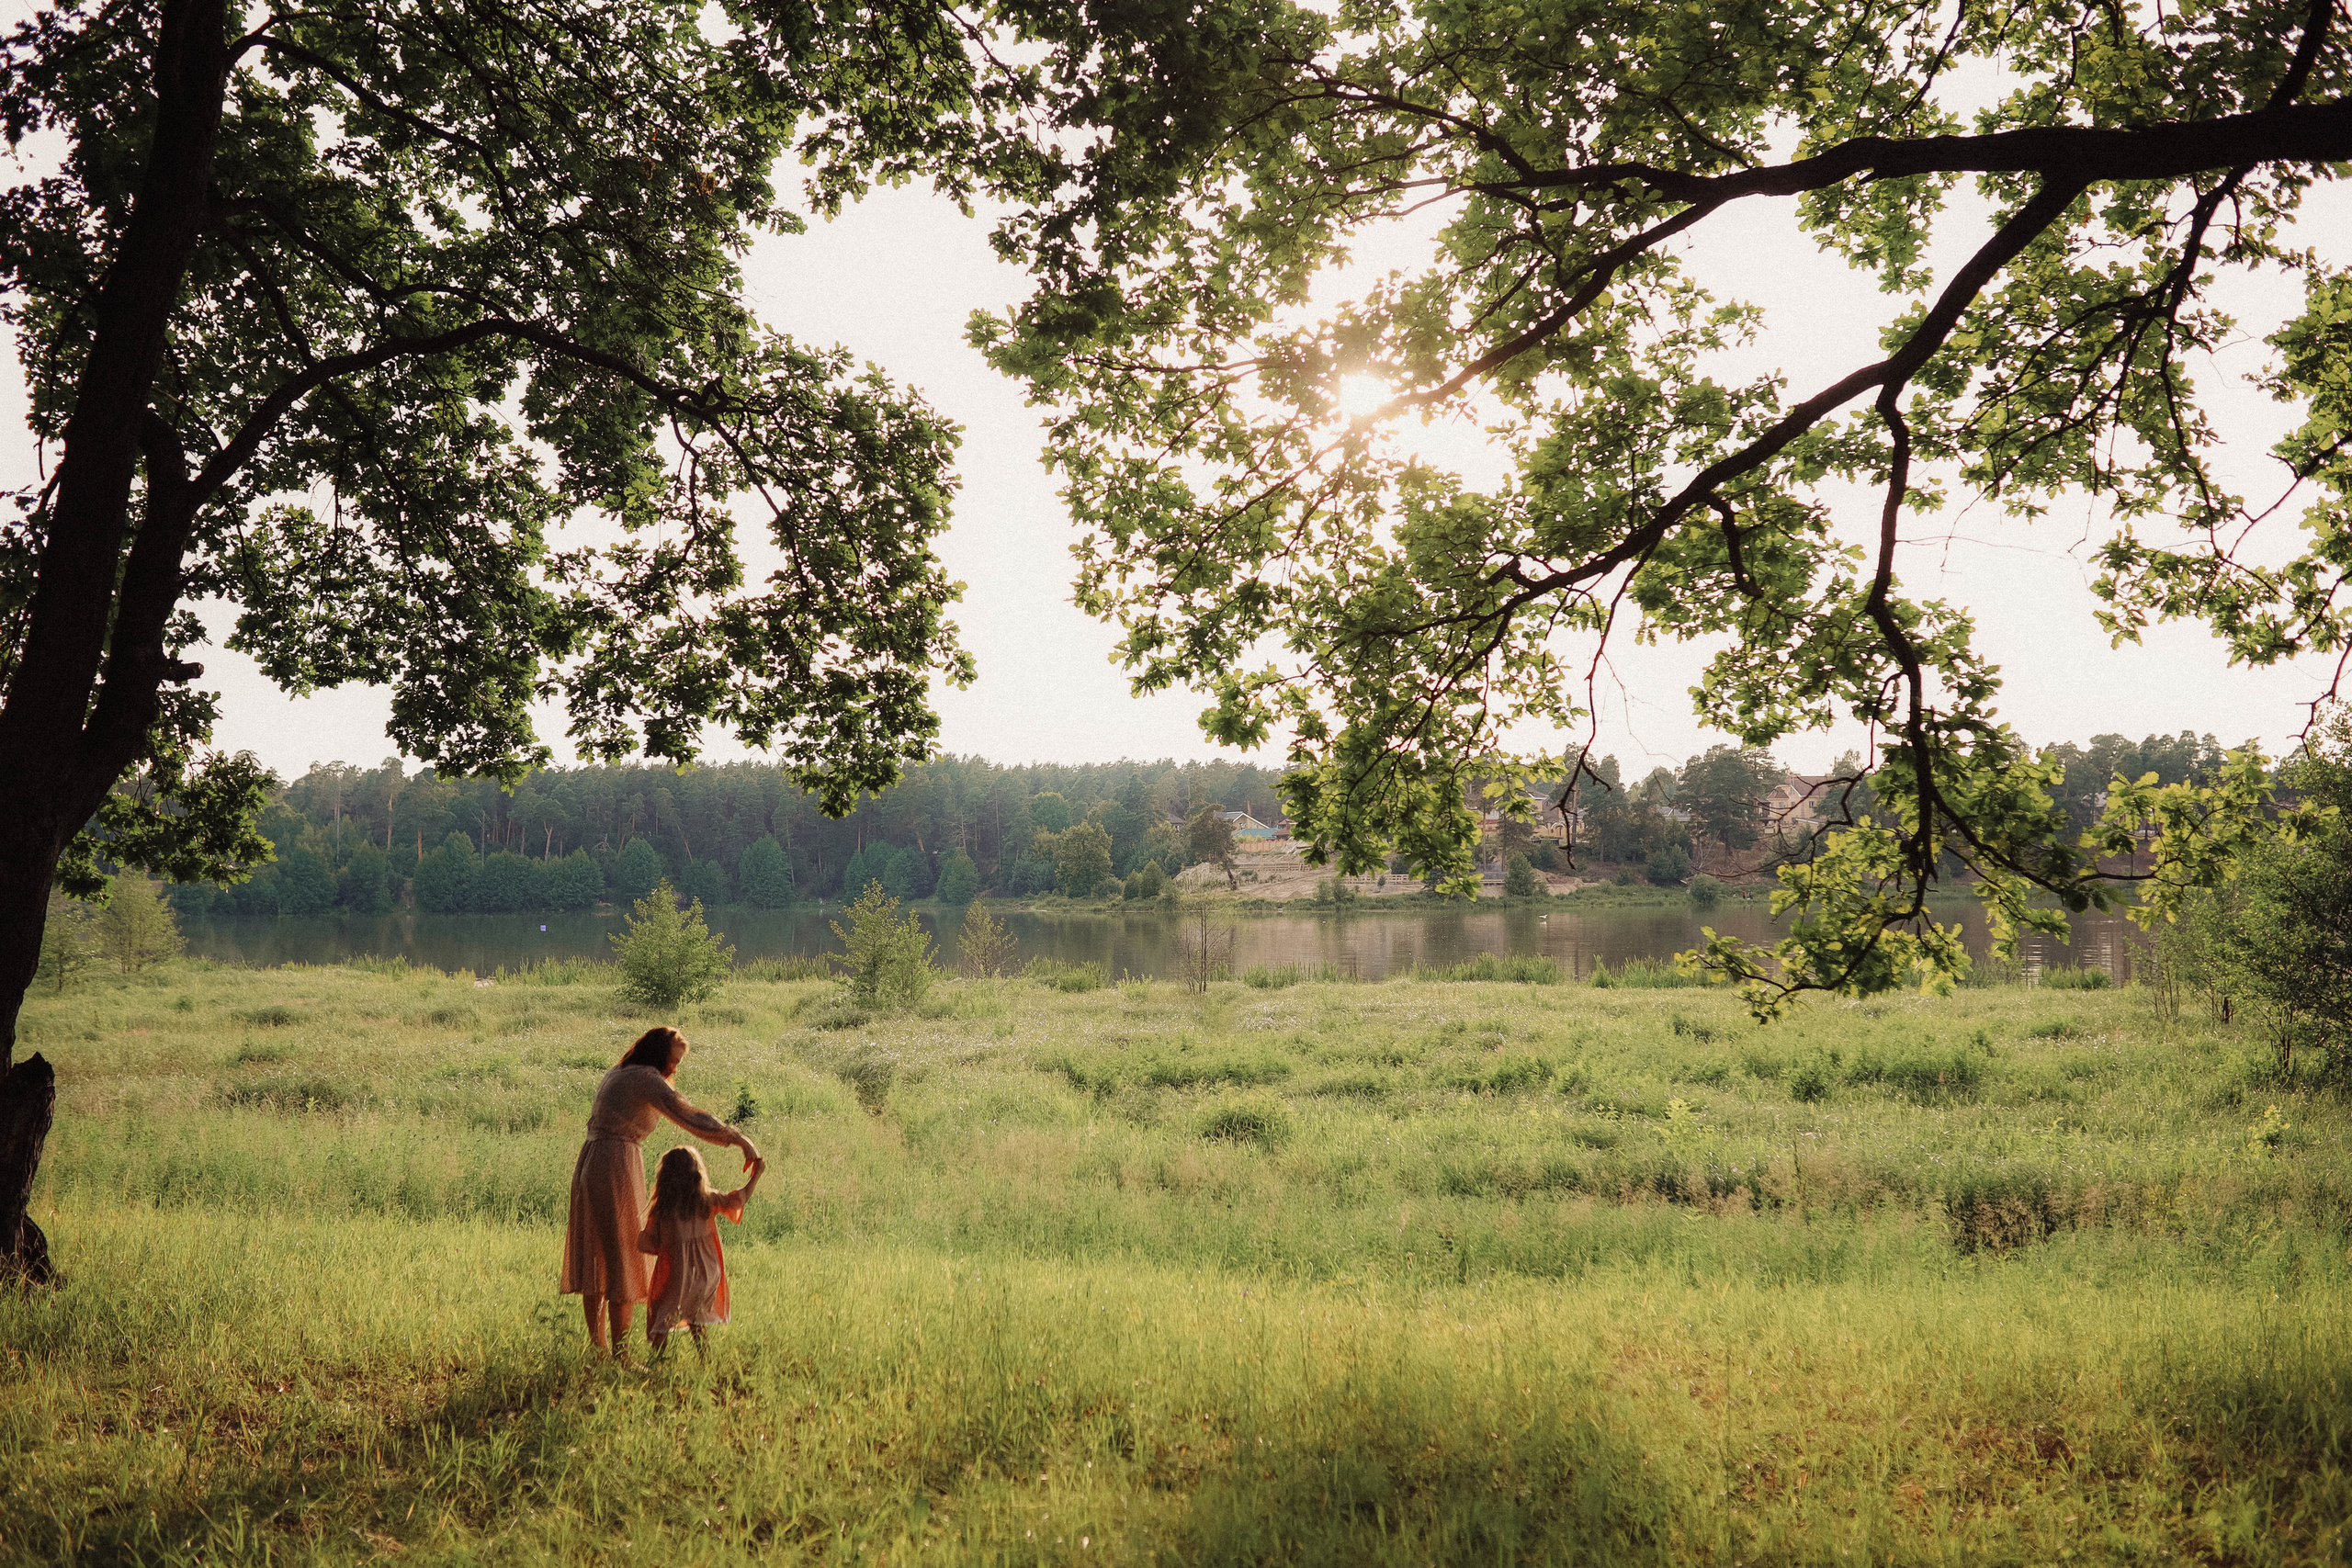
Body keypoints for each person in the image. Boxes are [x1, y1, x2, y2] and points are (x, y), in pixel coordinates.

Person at [559, 1025, 759, 1357]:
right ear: (658, 1055)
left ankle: (600, 1350)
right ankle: (619, 1356)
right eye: (673, 1061)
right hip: (615, 1163)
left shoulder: (619, 1072)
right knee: (623, 1259)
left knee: (597, 1255)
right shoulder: (644, 1078)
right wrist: (737, 1138)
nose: (674, 1070)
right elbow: (688, 1114)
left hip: (592, 1159)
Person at [639, 1144, 763, 1357]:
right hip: (707, 1275)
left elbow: (647, 1244)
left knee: (662, 1315)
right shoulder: (707, 1200)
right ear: (697, 1174)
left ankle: (658, 1362)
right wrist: (756, 1175)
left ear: (665, 1178)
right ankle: (706, 1360)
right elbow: (738, 1200)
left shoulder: (663, 1209)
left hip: (681, 1275)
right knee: (696, 1320)